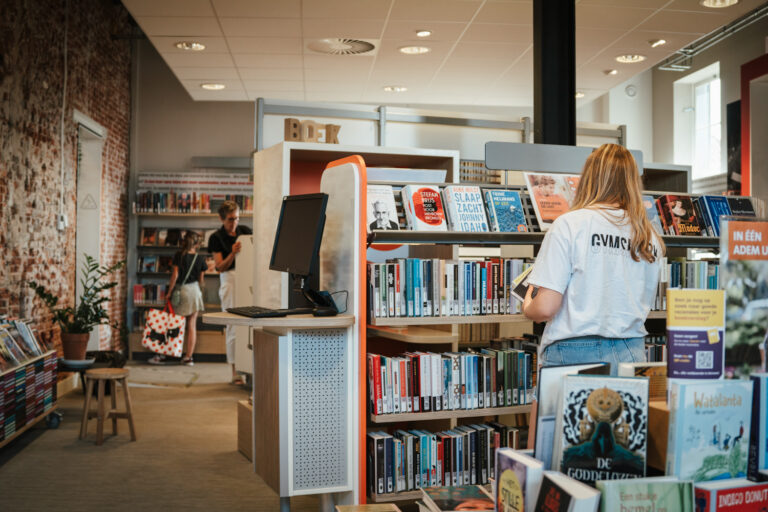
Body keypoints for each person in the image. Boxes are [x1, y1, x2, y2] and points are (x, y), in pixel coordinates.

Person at [522, 144, 665, 375]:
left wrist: (528, 302)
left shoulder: (569, 225)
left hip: (573, 351)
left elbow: (545, 308)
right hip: (631, 350)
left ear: (589, 177)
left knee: (556, 412)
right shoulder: (648, 236)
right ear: (632, 181)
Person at [209, 200, 252, 385]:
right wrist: (233, 253)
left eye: (236, 218)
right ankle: (235, 370)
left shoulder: (245, 230)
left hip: (248, 277)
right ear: (221, 218)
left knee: (249, 324)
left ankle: (249, 367)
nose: (233, 223)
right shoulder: (216, 237)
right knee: (233, 325)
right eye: (230, 219)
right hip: (230, 279)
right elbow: (219, 266)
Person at [148, 231, 207, 365]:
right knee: (192, 325)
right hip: (195, 291)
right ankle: (188, 357)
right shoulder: (200, 259)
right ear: (197, 244)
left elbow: (174, 276)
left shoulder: (179, 256)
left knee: (173, 324)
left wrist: (169, 292)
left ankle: (163, 355)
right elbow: (201, 280)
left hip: (182, 291)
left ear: (184, 242)